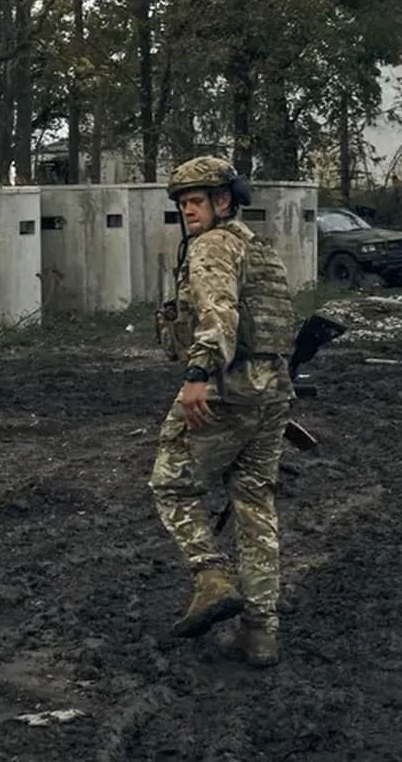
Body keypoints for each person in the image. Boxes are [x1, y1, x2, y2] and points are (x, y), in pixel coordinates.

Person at [149, 155, 297, 667]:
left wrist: (196, 377)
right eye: (183, 203)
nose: (189, 211)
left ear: (223, 200)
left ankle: (211, 576)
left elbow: (220, 313)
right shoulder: (256, 249)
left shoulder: (212, 246)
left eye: (197, 200)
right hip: (272, 389)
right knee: (255, 504)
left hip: (225, 386)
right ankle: (260, 631)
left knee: (170, 482)